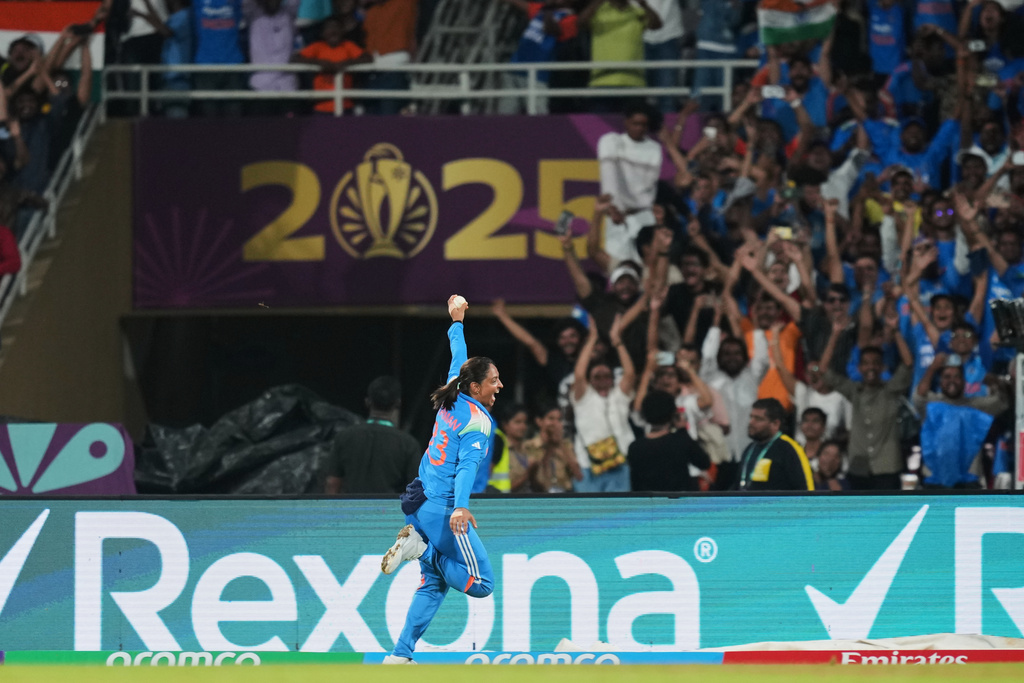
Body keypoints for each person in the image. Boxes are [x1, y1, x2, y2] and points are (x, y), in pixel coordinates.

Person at [380, 295, 500, 664]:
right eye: (494, 381)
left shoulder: (454, 389)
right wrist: (461, 507)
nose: (499, 386)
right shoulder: (479, 421)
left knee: (432, 584)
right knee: (481, 584)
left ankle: (400, 654)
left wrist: (457, 321)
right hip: (442, 509)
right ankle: (423, 549)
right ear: (476, 387)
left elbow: (457, 354)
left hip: (416, 502)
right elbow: (466, 467)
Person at [324, 375, 421, 494]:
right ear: (398, 403)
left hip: (351, 510)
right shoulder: (408, 444)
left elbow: (332, 483)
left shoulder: (344, 437)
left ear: (367, 402)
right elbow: (415, 491)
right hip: (389, 511)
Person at [628, 389, 710, 492]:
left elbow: (635, 485)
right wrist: (683, 430)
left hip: (651, 504)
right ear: (672, 413)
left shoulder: (635, 447)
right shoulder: (680, 441)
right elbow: (704, 463)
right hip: (680, 503)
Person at [290, 16, 372, 114]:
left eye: (336, 27)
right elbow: (294, 58)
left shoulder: (348, 46)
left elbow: (368, 58)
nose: (333, 31)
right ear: (322, 33)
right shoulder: (318, 47)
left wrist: (346, 63)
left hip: (345, 105)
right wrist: (320, 63)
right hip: (321, 107)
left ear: (343, 31)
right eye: (329, 27)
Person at [737, 398, 814, 491]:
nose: (751, 422)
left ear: (775, 424)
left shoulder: (789, 449)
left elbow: (806, 488)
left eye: (758, 419)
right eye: (751, 417)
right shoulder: (750, 448)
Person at [522, 403, 582, 492]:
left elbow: (578, 475)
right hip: (540, 494)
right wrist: (550, 446)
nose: (556, 423)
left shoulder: (566, 445)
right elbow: (533, 475)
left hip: (565, 494)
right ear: (539, 421)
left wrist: (560, 443)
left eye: (559, 419)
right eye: (551, 419)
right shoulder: (529, 446)